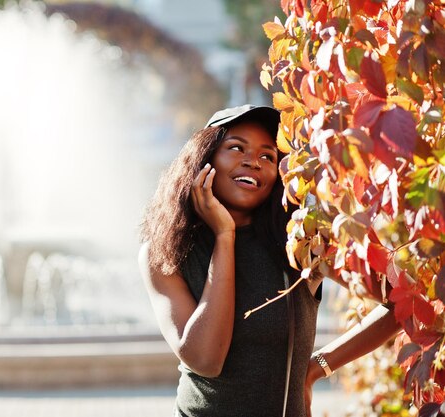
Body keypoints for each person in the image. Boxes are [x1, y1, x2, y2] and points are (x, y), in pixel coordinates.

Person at [139, 104, 400, 417]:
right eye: (236, 148)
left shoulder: (300, 241)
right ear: (204, 161)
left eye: (268, 156)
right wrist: (225, 235)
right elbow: (206, 360)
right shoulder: (165, 251)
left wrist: (318, 366)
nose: (253, 161)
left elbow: (403, 302)